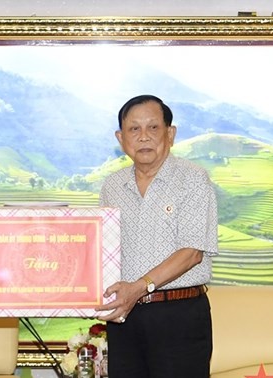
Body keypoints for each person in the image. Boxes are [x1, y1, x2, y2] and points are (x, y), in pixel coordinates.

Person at [95, 94, 218, 377]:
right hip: (125, 317)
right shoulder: (112, 186)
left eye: (153, 128)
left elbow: (191, 253)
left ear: (170, 134)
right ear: (120, 138)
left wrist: (138, 287)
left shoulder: (193, 179)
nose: (144, 137)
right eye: (134, 129)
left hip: (179, 315)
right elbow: (101, 248)